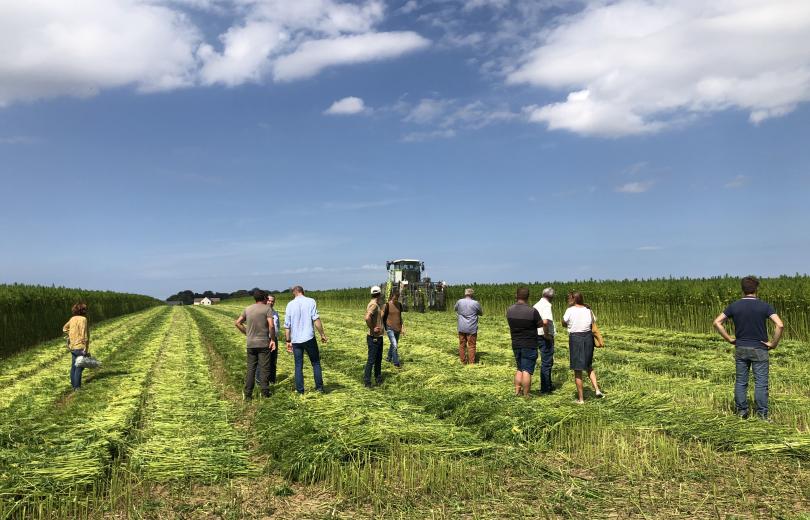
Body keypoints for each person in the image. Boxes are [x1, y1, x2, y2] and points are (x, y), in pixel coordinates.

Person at [713, 276, 784, 420]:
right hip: (759, 348)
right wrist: (773, 343)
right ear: (756, 288)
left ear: (743, 289)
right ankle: (762, 416)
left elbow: (717, 322)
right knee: (761, 384)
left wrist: (729, 339)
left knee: (741, 382)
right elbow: (780, 325)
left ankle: (742, 412)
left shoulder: (734, 306)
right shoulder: (764, 306)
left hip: (740, 348)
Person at [284, 286, 328, 395]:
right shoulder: (311, 301)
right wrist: (322, 334)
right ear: (303, 291)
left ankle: (300, 391)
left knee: (298, 365)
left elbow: (287, 326)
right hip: (309, 338)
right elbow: (316, 319)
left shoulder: (290, 305)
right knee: (316, 363)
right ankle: (319, 388)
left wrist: (288, 340)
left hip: (296, 340)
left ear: (294, 293)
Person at [562, 292, 603, 404]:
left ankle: (581, 399)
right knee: (589, 366)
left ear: (574, 299)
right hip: (588, 338)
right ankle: (597, 390)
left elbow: (563, 322)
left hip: (576, 339)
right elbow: (593, 323)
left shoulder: (570, 310)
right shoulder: (588, 310)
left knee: (578, 369)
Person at [235, 290, 276, 400]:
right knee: (264, 368)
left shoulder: (247, 309)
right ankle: (265, 392)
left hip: (251, 344)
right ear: (264, 298)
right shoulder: (267, 309)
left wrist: (247, 333)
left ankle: (248, 394)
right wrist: (272, 340)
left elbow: (237, 322)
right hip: (263, 343)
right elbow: (271, 326)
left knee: (251, 369)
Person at [507, 287, 542, 397]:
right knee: (527, 370)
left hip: (516, 343)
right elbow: (540, 325)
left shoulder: (509, 310)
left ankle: (517, 392)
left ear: (516, 295)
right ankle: (526, 395)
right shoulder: (532, 311)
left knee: (519, 368)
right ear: (528, 297)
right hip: (529, 344)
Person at [533, 287, 556, 394]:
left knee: (546, 361)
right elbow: (545, 322)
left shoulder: (536, 304)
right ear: (551, 296)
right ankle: (545, 388)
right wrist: (547, 335)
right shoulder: (546, 305)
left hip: (536, 334)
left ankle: (548, 385)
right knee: (547, 362)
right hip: (544, 336)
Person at [63, 302, 90, 391]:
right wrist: (85, 347)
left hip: (73, 346)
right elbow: (84, 333)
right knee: (79, 366)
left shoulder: (72, 319)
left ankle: (73, 384)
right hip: (80, 346)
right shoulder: (83, 319)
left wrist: (71, 334)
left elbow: (64, 328)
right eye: (84, 309)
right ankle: (77, 387)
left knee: (74, 366)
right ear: (82, 310)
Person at [256, 294, 281, 386]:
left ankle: (272, 380)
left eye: (273, 301)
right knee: (262, 362)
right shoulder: (261, 312)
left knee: (273, 361)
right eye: (269, 300)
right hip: (264, 339)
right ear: (266, 300)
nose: (271, 302)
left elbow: (277, 326)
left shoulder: (275, 312)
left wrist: (275, 338)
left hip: (274, 339)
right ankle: (259, 381)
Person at [455, 288, 483, 364]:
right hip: (471, 328)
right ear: (472, 294)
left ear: (465, 294)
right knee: (471, 346)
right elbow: (481, 313)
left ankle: (463, 361)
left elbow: (455, 309)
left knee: (462, 345)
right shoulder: (475, 303)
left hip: (461, 327)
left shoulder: (459, 301)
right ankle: (471, 363)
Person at [364, 286, 385, 387]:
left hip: (377, 336)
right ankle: (367, 382)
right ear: (379, 294)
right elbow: (367, 317)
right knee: (372, 360)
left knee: (377, 359)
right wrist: (373, 329)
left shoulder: (375, 304)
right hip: (374, 337)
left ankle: (378, 378)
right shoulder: (374, 305)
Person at [383, 290, 405, 368]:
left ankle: (389, 358)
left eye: (397, 298)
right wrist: (383, 329)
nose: (396, 299)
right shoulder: (386, 305)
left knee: (393, 344)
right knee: (395, 345)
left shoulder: (399, 305)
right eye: (395, 298)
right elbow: (382, 317)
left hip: (397, 328)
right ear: (391, 297)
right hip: (390, 328)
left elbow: (400, 317)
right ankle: (396, 363)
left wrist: (402, 327)